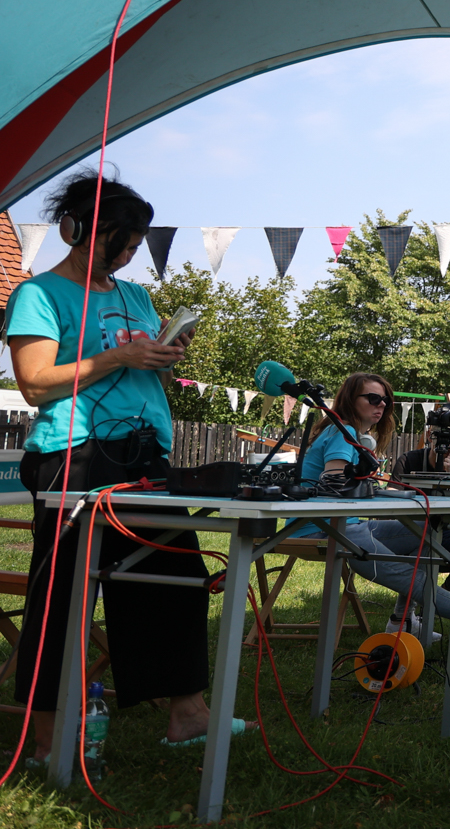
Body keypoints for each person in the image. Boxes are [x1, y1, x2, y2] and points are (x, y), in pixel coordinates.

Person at [5, 170, 235, 757]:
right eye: (119, 243)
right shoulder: (38, 295)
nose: (129, 255)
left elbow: (143, 370)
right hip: (75, 455)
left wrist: (163, 355)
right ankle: (46, 738)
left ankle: (188, 715)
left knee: (175, 580)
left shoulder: (136, 296)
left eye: (135, 245)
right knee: (62, 597)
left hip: (145, 453)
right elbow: (34, 383)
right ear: (75, 229)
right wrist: (120, 356)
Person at [300, 377, 450, 636]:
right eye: (373, 398)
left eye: (385, 401)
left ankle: (402, 621)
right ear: (350, 400)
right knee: (405, 573)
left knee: (431, 530)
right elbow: (335, 485)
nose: (381, 405)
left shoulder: (352, 435)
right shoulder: (343, 433)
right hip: (323, 529)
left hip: (348, 525)